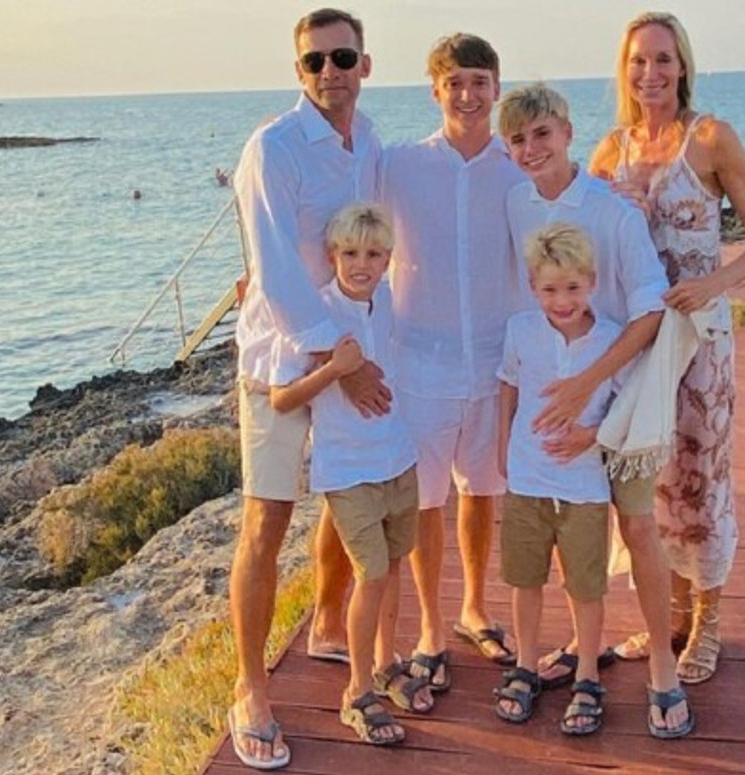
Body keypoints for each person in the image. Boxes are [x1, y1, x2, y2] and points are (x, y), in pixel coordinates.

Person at [589, 12, 745, 686]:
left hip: (700, 342)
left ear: (682, 65)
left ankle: (709, 622)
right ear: (625, 70)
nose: (651, 73)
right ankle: (667, 616)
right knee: (651, 478)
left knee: (703, 478)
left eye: (663, 59)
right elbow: (591, 245)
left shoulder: (710, 138)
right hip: (640, 341)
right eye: (638, 61)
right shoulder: (610, 151)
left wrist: (712, 284)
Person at [499, 82, 693, 738]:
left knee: (636, 527)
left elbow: (650, 310)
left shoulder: (612, 212)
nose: (532, 149)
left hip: (622, 395)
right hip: (556, 410)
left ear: (567, 132)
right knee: (559, 538)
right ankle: (565, 657)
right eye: (518, 139)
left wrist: (589, 383)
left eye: (542, 134)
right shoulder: (517, 204)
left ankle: (662, 663)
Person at [227, 7, 387, 770]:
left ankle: (326, 622)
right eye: (315, 61)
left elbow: (374, 244)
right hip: (283, 360)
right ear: (299, 71)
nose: (330, 71)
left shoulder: (370, 142)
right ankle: (250, 687)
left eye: (342, 57)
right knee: (267, 519)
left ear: (365, 65)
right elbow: (276, 272)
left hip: (350, 348)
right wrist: (339, 361)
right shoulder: (275, 147)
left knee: (347, 489)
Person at [377, 33, 527, 689]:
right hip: (420, 365)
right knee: (425, 502)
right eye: (455, 83)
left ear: (496, 88)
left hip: (495, 361)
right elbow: (344, 223)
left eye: (478, 82)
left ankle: (474, 607)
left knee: (483, 490)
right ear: (435, 90)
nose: (467, 95)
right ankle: (431, 628)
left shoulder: (517, 168)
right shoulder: (401, 165)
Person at [269, 203, 432, 746]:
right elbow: (282, 397)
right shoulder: (315, 314)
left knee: (394, 564)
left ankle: (386, 663)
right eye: (350, 253)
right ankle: (357, 692)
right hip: (347, 469)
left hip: (397, 456)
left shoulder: (385, 300)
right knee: (372, 573)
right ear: (332, 254)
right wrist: (335, 371)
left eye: (374, 254)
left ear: (388, 259)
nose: (362, 264)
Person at [494, 223, 628, 735]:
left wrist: (591, 436)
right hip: (528, 478)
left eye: (573, 287)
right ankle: (526, 666)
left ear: (592, 281)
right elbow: (508, 384)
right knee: (525, 578)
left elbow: (625, 402)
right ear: (533, 287)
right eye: (549, 289)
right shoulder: (521, 329)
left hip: (584, 486)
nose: (562, 300)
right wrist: (503, 444)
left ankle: (587, 674)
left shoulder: (611, 340)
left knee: (585, 585)